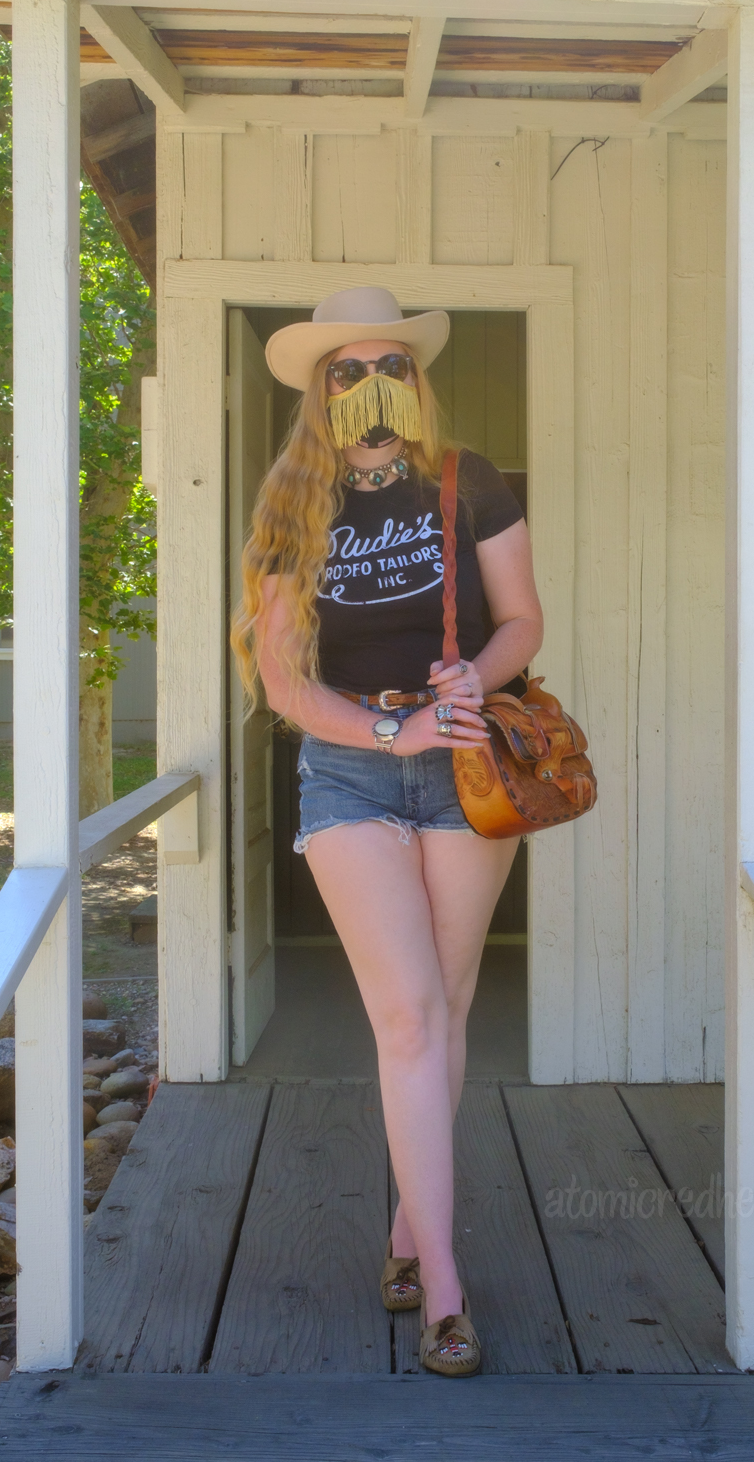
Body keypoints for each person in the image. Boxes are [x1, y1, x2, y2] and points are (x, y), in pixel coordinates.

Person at [231, 286, 543, 1376]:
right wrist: (385, 727)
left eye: (390, 367)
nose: (370, 387)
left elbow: (520, 621)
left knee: (447, 1009)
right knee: (407, 1017)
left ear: (416, 381)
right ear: (320, 391)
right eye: (346, 370)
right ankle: (444, 1286)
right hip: (352, 780)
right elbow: (281, 680)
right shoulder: (288, 510)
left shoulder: (470, 482)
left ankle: (407, 1229)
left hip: (464, 773)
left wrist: (470, 675)